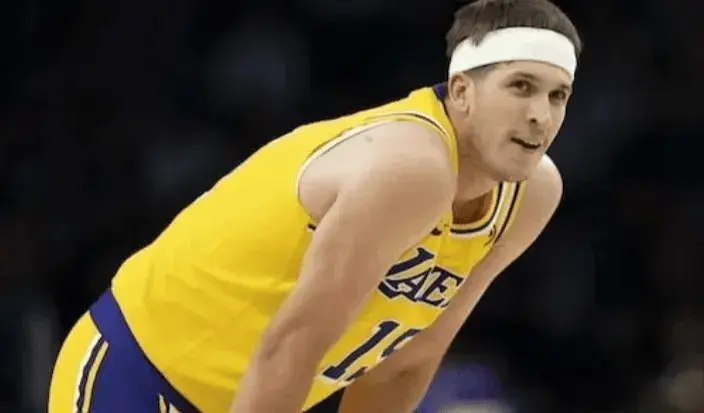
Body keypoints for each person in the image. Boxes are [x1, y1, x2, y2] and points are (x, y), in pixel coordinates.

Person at [47, 0, 582, 411]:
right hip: (139, 373)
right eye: (521, 87)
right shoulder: (413, 167)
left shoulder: (532, 193)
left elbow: (406, 361)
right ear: (462, 91)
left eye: (558, 95)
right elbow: (292, 344)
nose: (541, 114)